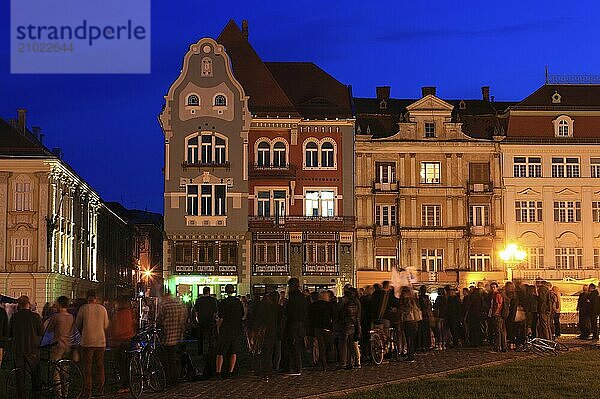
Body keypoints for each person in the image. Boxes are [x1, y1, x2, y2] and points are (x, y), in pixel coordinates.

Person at [76, 290, 109, 399]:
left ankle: (88, 390)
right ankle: (100, 389)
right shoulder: (102, 309)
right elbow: (106, 325)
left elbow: (78, 324)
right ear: (96, 298)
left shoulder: (83, 309)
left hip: (87, 341)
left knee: (87, 366)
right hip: (100, 341)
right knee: (100, 366)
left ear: (87, 298)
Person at [10, 295, 44, 399]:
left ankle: (21, 395)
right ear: (28, 304)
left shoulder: (14, 317)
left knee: (20, 376)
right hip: (32, 349)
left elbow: (10, 333)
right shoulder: (35, 317)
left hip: (18, 349)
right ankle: (36, 394)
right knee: (35, 374)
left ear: (19, 305)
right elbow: (41, 331)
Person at [215, 284, 244, 378]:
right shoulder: (238, 302)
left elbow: (221, 317)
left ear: (226, 291)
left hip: (225, 329)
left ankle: (218, 372)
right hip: (236, 329)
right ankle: (231, 371)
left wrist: (218, 328)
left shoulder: (223, 302)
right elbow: (242, 315)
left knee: (221, 352)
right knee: (233, 351)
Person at [158, 292, 186, 386]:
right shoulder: (179, 305)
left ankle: (168, 379)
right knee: (174, 359)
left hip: (166, 335)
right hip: (177, 335)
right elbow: (183, 321)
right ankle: (175, 378)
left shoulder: (164, 306)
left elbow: (159, 320)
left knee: (166, 359)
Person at [109, 296, 135, 393]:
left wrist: (113, 338)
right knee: (127, 363)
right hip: (128, 340)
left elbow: (116, 328)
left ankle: (124, 384)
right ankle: (127, 383)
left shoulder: (119, 314)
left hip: (121, 341)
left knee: (121, 364)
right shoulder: (129, 312)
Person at [283, 278, 308, 376]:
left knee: (294, 345)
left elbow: (290, 311)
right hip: (300, 323)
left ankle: (296, 368)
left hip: (294, 323)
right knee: (296, 345)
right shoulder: (301, 296)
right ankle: (295, 367)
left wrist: (285, 307)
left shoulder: (294, 297)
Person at [399, 286, 421, 362]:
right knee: (411, 339)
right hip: (414, 321)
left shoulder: (406, 300)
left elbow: (407, 311)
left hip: (409, 321)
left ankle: (410, 356)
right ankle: (411, 354)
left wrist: (399, 310)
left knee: (409, 339)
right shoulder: (413, 300)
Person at [194, 287, 218, 356]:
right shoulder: (213, 300)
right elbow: (215, 311)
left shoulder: (198, 300)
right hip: (210, 320)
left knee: (200, 336)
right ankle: (210, 351)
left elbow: (196, 311)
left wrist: (197, 319)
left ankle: (200, 351)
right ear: (209, 292)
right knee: (210, 336)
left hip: (201, 320)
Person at [488, 282, 506, 352]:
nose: (492, 289)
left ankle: (498, 347)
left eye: (494, 287)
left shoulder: (497, 295)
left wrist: (494, 313)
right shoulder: (494, 295)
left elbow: (498, 305)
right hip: (496, 314)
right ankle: (503, 347)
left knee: (497, 331)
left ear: (497, 287)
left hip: (497, 315)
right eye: (491, 287)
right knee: (500, 331)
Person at [417, 285, 433, 351]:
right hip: (425, 315)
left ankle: (423, 345)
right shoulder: (425, 297)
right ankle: (426, 345)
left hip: (423, 315)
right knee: (425, 330)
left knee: (423, 330)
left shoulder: (420, 298)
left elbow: (421, 306)